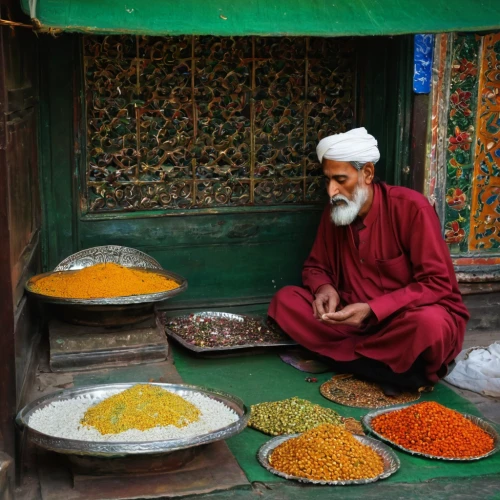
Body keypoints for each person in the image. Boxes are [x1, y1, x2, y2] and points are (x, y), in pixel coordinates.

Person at [268, 127, 469, 394]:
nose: (331, 191)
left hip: (401, 321)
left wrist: (374, 309)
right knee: (286, 300)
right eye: (327, 180)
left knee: (430, 324)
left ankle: (345, 359)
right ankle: (383, 368)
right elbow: (316, 267)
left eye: (340, 179)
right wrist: (324, 289)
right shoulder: (337, 211)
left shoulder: (411, 208)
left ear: (367, 174)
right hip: (351, 324)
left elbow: (437, 284)